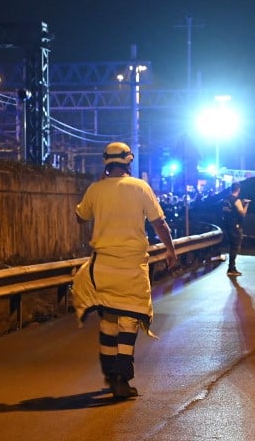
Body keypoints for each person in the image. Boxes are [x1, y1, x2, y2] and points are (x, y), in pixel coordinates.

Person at [72, 142, 178, 399]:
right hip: (132, 267)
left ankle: (111, 375)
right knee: (129, 320)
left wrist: (98, 188)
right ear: (129, 161)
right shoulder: (140, 187)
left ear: (106, 162)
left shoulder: (96, 189)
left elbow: (80, 216)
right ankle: (122, 377)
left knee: (108, 319)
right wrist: (170, 250)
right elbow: (159, 223)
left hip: (104, 266)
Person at [221, 182, 250, 277]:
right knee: (235, 247)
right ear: (238, 189)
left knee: (231, 246)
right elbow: (242, 213)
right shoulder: (236, 200)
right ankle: (231, 268)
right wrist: (246, 204)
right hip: (234, 226)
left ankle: (231, 267)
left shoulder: (226, 199)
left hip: (226, 226)